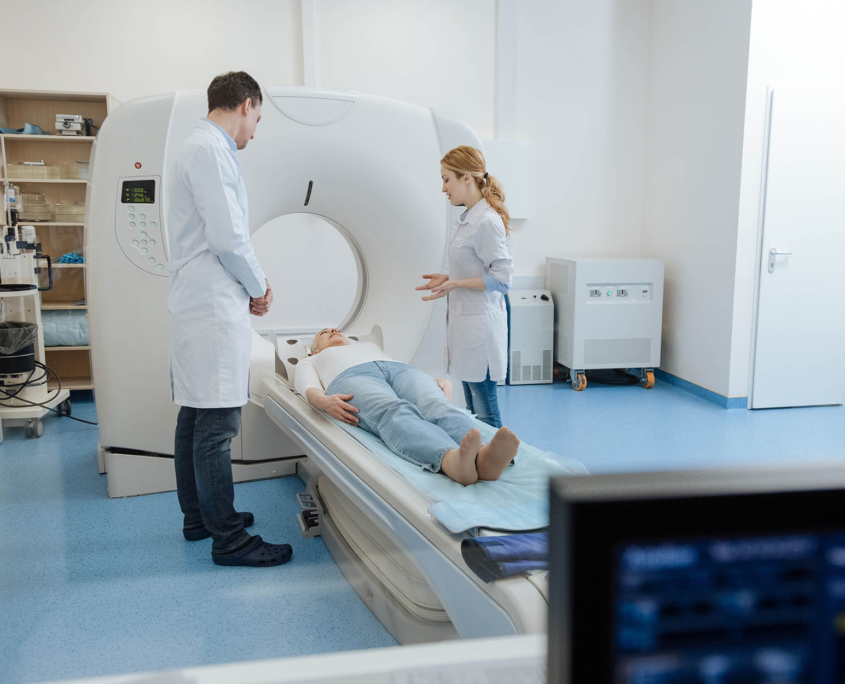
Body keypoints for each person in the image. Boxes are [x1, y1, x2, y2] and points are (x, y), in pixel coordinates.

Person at [167, 71, 292, 568]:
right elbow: (228, 237)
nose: (255, 132)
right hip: (212, 306)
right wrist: (260, 287)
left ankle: (200, 518)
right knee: (216, 424)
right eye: (257, 118)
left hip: (198, 302)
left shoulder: (195, 147)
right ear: (245, 104)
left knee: (194, 416)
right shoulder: (211, 150)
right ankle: (229, 540)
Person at [294, 328, 520, 486]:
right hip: (349, 377)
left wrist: (433, 379)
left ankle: (484, 457)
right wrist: (324, 402)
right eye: (324, 333)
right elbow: (308, 388)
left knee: (435, 404)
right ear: (315, 350)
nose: (333, 330)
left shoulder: (367, 346)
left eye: (336, 330)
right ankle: (452, 461)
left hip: (400, 370)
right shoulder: (312, 360)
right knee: (394, 410)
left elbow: (401, 371)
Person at [416, 146, 513, 428]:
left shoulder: (486, 221)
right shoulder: (469, 219)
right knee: (473, 411)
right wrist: (448, 278)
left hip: (481, 328)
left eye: (447, 179)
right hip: (466, 326)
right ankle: (480, 461)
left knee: (485, 411)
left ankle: (500, 466)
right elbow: (476, 267)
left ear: (466, 178)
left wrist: (455, 283)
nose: (443, 188)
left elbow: (503, 279)